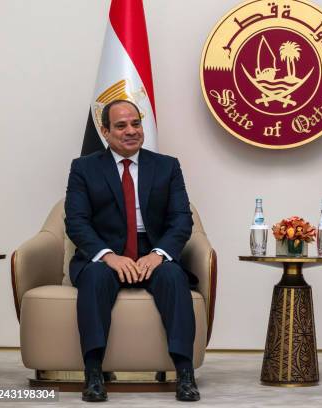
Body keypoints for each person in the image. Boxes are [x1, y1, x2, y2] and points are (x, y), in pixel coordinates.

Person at [65, 99, 200, 402]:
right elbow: (76, 222)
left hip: (150, 248)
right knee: (95, 278)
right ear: (105, 131)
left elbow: (181, 218)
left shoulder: (167, 166)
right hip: (106, 253)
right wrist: (109, 256)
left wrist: (159, 253)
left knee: (173, 278)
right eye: (121, 125)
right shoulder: (84, 168)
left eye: (135, 124)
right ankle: (94, 373)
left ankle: (185, 373)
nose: (130, 131)